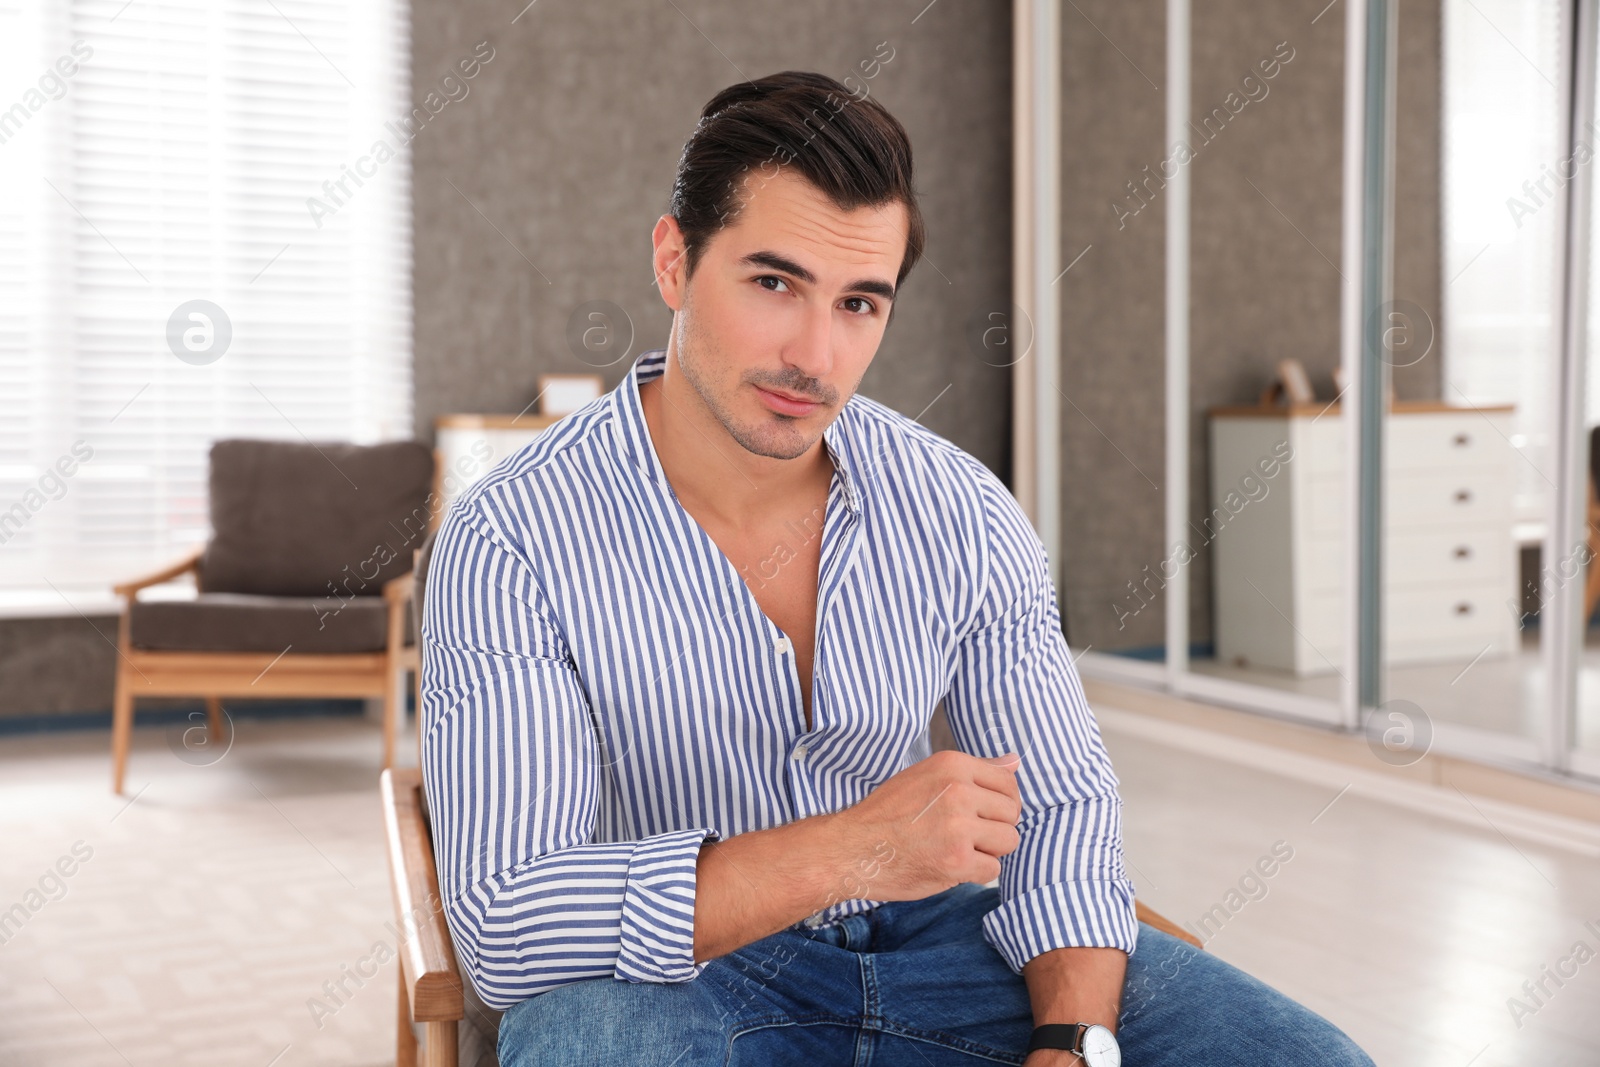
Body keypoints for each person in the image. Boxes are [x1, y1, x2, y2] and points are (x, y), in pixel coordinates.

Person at [418, 69, 1374, 1067]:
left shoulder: (959, 509)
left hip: (934, 951)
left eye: (860, 303)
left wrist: (1071, 1036)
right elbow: (507, 920)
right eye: (773, 283)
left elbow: (1058, 806)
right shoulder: (512, 538)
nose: (815, 355)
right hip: (666, 979)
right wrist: (850, 847)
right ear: (673, 261)